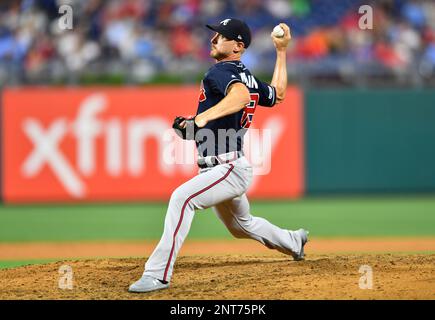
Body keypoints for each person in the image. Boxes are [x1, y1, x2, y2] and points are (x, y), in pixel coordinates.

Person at [129, 18, 308, 293]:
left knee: (182, 198)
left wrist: (200, 119)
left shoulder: (220, 72)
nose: (214, 40)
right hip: (226, 166)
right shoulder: (244, 74)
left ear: (238, 46)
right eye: (214, 35)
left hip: (226, 167)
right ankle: (293, 241)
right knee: (241, 226)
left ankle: (157, 275)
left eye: (221, 36)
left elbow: (240, 97)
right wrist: (281, 51)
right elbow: (279, 94)